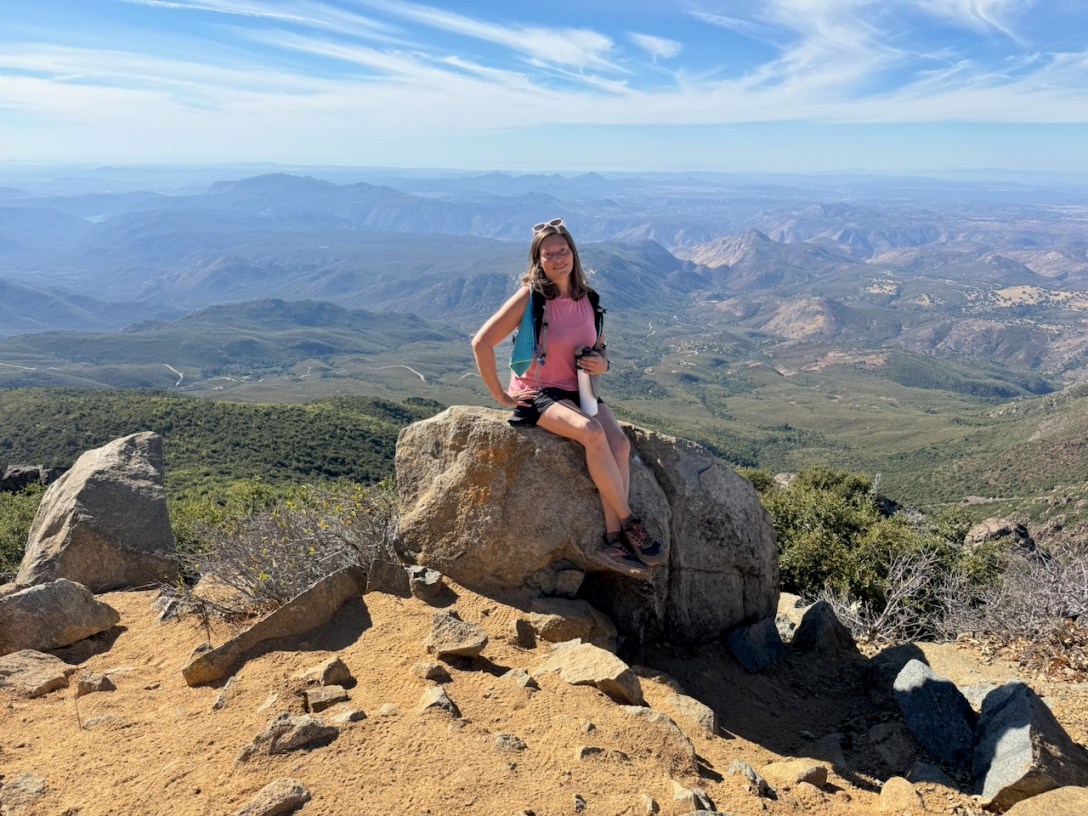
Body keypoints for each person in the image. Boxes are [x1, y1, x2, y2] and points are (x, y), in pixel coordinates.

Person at [471, 217, 665, 577]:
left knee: (620, 445)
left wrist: (602, 364)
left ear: (573, 253)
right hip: (539, 392)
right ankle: (629, 522)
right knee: (592, 433)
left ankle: (613, 539)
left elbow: (600, 348)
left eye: (563, 251)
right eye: (548, 254)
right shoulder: (531, 298)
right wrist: (500, 394)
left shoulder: (588, 298)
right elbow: (481, 342)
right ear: (538, 260)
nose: (557, 259)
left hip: (580, 389)